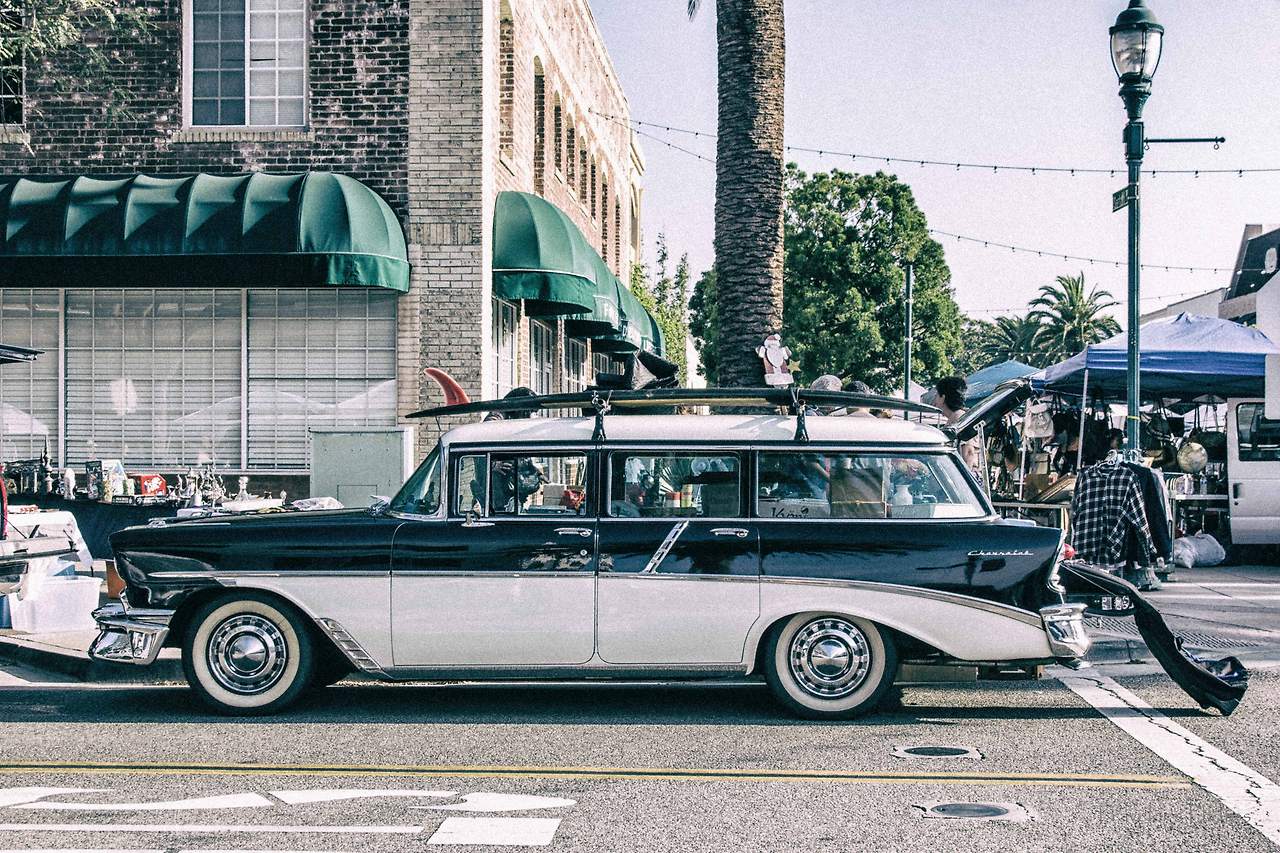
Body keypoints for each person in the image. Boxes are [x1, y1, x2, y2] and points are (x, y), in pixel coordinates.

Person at [935, 376, 981, 476]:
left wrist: (963, 481)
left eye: (937, 395)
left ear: (943, 398)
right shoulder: (957, 419)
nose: (935, 400)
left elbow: (969, 453)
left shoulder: (960, 421)